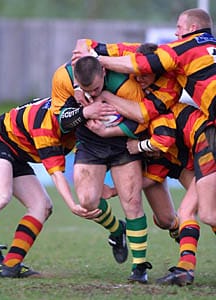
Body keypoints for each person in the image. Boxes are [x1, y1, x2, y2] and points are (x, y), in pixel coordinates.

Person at [72, 8, 216, 236]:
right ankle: (183, 248)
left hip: (179, 152)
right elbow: (82, 44)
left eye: (179, 27)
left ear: (192, 29)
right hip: (157, 153)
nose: (139, 79)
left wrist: (106, 95)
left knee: (205, 211)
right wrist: (80, 85)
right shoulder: (134, 52)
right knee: (168, 219)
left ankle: (185, 262)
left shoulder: (170, 83)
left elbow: (142, 115)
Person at [53, 55, 182, 283]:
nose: (92, 94)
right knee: (88, 202)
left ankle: (139, 266)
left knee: (132, 202)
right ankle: (116, 230)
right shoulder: (62, 77)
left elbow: (142, 120)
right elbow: (61, 122)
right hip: (90, 145)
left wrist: (110, 130)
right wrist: (85, 113)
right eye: (86, 90)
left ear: (103, 72)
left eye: (95, 88)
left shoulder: (126, 83)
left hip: (124, 144)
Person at [0, 96, 103, 278]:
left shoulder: (75, 109)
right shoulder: (46, 126)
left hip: (18, 151)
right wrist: (73, 205)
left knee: (42, 206)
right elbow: (56, 174)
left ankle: (10, 266)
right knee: (1, 197)